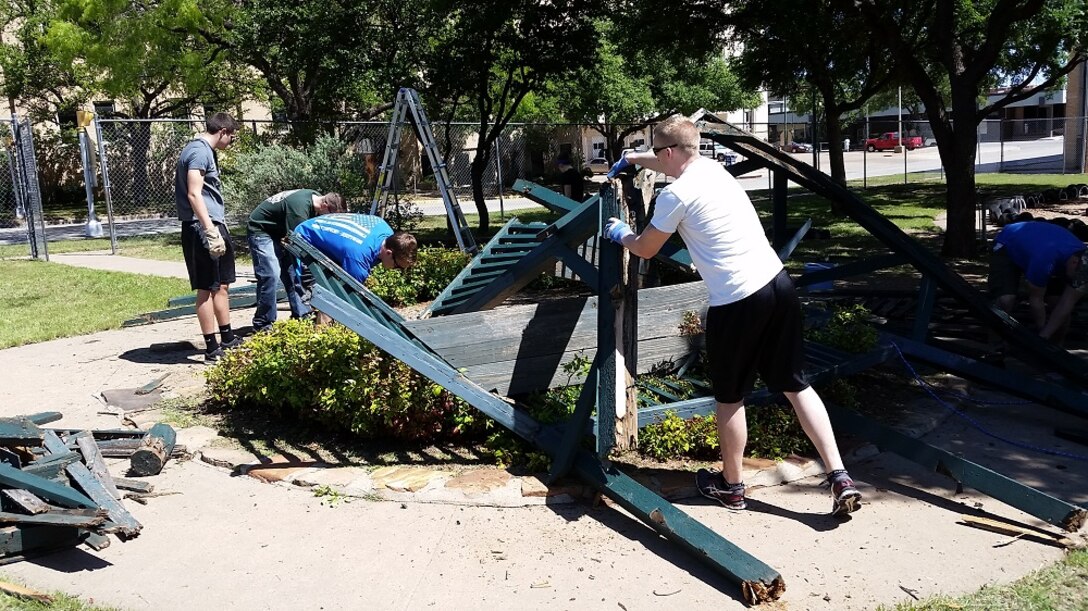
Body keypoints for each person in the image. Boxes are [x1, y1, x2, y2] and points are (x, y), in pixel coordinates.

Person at [601, 116, 862, 516]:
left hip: (739, 301)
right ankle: (840, 475)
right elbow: (671, 157)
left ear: (669, 152)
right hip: (779, 285)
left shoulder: (675, 196)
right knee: (795, 383)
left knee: (729, 397)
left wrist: (619, 232)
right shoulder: (712, 169)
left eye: (656, 151)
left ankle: (731, 487)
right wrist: (634, 158)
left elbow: (646, 249)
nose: (655, 157)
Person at [174, 112, 241, 362]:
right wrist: (209, 230)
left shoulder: (204, 151)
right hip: (201, 227)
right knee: (206, 288)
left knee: (222, 284)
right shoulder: (199, 151)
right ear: (222, 131)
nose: (231, 142)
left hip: (213, 223)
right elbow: (194, 193)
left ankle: (228, 337)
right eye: (231, 137)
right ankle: (212, 348)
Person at [247, 189, 344, 331]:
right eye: (329, 215)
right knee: (270, 275)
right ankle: (263, 324)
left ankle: (302, 315)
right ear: (324, 205)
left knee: (293, 273)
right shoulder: (298, 211)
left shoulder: (314, 196)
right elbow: (301, 246)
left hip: (281, 232)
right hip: (262, 231)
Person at [988, 220, 1088, 345]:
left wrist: (1046, 335)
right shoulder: (1045, 259)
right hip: (1008, 243)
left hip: (1040, 246)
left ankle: (1057, 350)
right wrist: (1042, 334)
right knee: (1005, 300)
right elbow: (1036, 299)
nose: (1076, 281)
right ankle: (995, 347)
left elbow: (1066, 304)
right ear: (1074, 263)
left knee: (1058, 305)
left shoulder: (1083, 261)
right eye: (1076, 277)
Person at [293, 213, 418, 284]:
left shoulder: (385, 230)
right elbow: (350, 295)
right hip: (304, 239)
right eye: (398, 266)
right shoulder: (358, 257)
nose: (396, 270)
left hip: (322, 235)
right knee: (316, 294)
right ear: (389, 253)